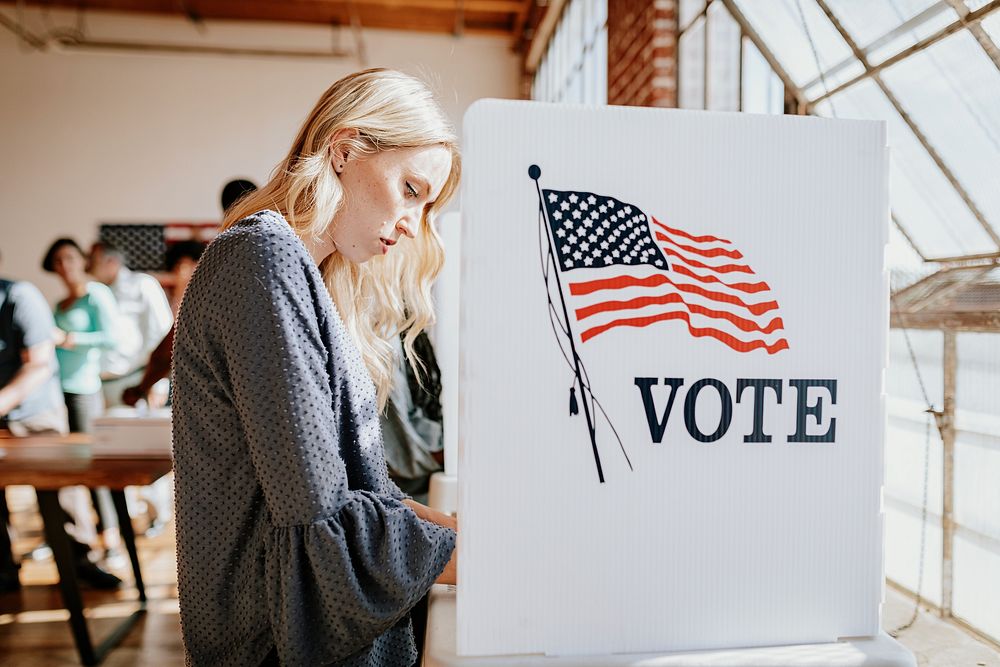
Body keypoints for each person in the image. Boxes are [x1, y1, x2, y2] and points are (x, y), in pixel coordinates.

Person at [172, 68, 460, 666]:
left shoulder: (307, 276)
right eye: (410, 189)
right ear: (345, 148)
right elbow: (319, 512)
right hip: (270, 638)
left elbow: (355, 494)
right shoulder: (263, 257)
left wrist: (458, 528)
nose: (412, 225)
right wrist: (500, 554)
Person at [1, 252, 120, 590]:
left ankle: (81, 559)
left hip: (37, 411)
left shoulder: (20, 296)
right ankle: (4, 571)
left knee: (63, 492)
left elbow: (38, 364)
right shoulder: (57, 301)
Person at [43, 239, 119, 434]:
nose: (64, 265)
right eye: (58, 260)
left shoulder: (97, 293)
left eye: (70, 258)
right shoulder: (60, 304)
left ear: (83, 261)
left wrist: (69, 338)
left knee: (83, 452)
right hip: (57, 388)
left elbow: (112, 338)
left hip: (83, 389)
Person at [87, 241, 172, 407]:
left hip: (134, 384)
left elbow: (162, 334)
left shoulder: (142, 285)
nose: (88, 266)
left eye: (93, 261)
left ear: (111, 262)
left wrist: (158, 384)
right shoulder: (94, 292)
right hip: (99, 387)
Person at [121, 240, 206, 408]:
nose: (184, 272)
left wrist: (144, 387)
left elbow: (169, 347)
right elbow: (163, 344)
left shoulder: (205, 299)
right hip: (172, 380)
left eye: (190, 266)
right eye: (180, 266)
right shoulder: (163, 296)